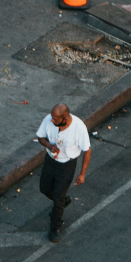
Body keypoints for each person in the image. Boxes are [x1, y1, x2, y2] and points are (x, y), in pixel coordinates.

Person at [36, 103, 90, 242]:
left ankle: (55, 228)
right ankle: (63, 200)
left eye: (55, 119)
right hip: (51, 161)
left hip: (67, 165)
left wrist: (82, 173)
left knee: (57, 199)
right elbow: (40, 137)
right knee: (45, 189)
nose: (52, 120)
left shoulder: (78, 128)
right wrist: (48, 145)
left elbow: (87, 151)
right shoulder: (49, 120)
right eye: (52, 118)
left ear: (65, 118)